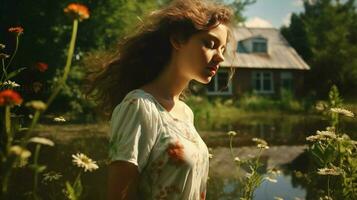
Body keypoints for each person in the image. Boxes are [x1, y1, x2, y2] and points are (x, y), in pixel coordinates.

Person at [87, 0, 234, 199]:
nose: (220, 57)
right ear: (178, 40)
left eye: (223, 49)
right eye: (210, 44)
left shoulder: (185, 112)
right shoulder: (139, 106)